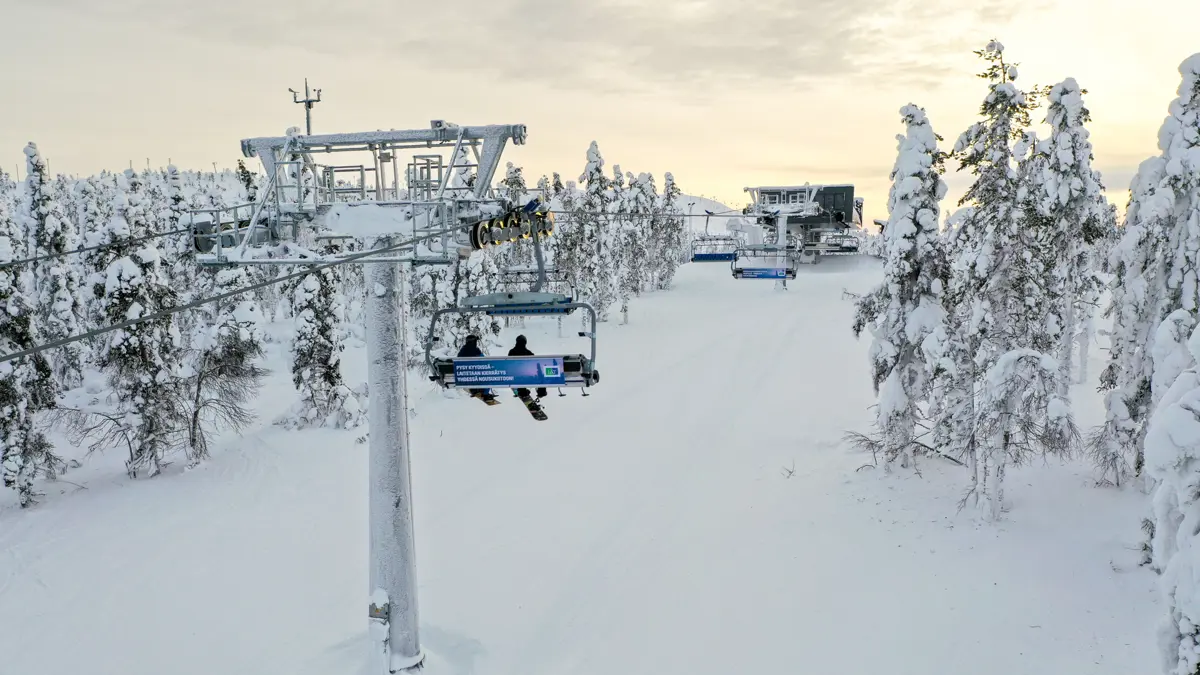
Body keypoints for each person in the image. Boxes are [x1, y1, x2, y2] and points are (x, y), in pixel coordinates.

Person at [508, 334, 548, 400]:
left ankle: (522, 391)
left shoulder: (512, 352)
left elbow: (509, 364)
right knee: (541, 375)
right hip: (527, 375)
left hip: (515, 376)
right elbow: (536, 364)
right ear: (525, 343)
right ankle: (541, 391)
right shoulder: (528, 352)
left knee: (518, 373)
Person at [457, 335, 494, 402]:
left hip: (463, 376)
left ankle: (474, 390)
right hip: (476, 375)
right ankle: (485, 394)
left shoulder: (462, 350)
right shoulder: (476, 350)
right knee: (487, 375)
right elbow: (483, 361)